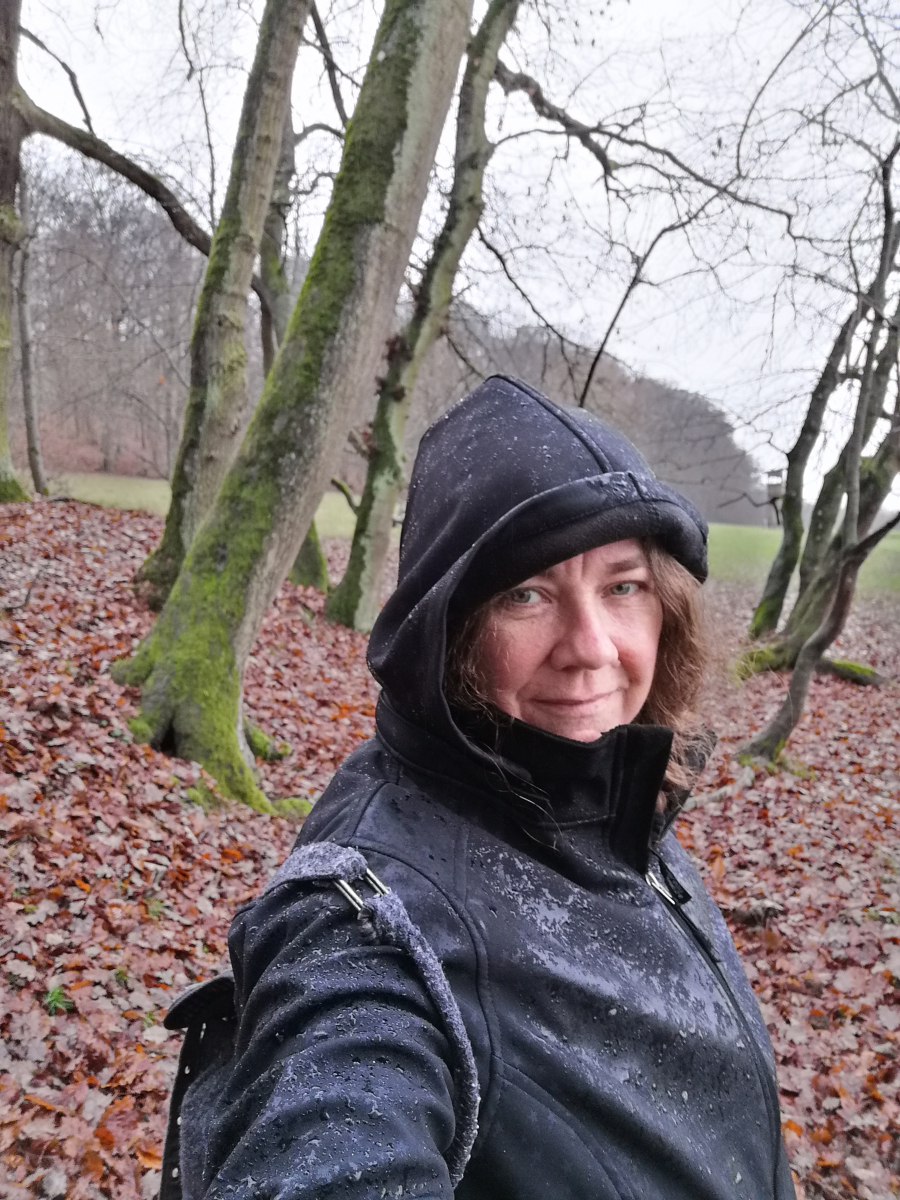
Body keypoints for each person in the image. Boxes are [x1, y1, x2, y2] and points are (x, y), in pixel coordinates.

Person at [164, 375, 794, 1200]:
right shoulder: (367, 922)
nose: (592, 647)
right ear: (446, 630)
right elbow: (334, 1119)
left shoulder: (604, 790)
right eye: (526, 594)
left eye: (623, 586)